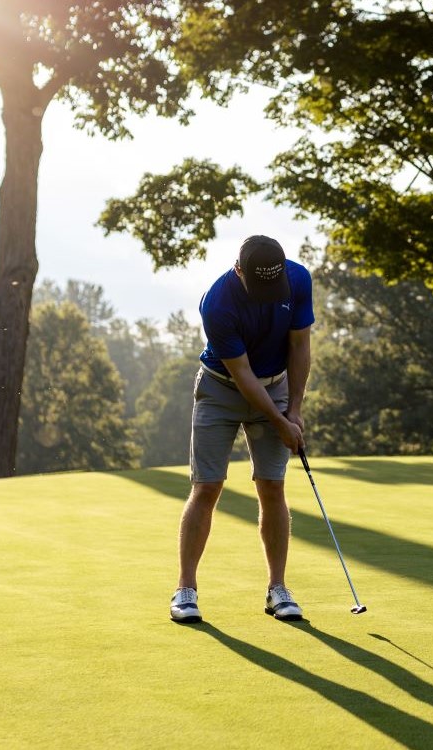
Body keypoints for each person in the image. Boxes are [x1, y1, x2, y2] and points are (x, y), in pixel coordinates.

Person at [170, 235, 314, 624]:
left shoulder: (298, 280)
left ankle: (278, 589)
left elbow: (300, 346)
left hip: (277, 384)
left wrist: (295, 410)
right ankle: (185, 589)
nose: (270, 294)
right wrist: (280, 422)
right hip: (222, 388)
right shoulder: (217, 303)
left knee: (272, 486)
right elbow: (244, 376)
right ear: (238, 271)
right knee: (207, 486)